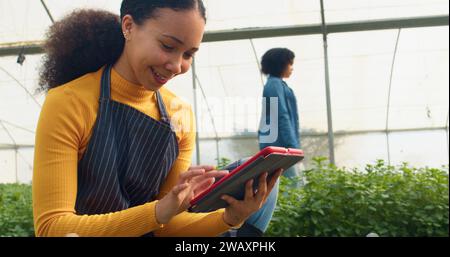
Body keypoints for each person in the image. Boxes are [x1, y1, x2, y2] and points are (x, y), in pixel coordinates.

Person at [32, 0, 281, 237]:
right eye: (168, 46)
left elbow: (166, 228)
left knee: (262, 178)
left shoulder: (179, 114)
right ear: (128, 27)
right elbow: (53, 228)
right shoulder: (70, 102)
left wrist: (229, 219)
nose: (176, 65)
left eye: (188, 54)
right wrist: (159, 210)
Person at [233, 48, 301, 236]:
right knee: (291, 188)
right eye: (290, 63)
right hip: (281, 146)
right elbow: (281, 115)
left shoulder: (279, 85)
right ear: (281, 64)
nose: (292, 68)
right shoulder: (273, 85)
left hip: (283, 145)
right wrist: (292, 146)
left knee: (287, 187)